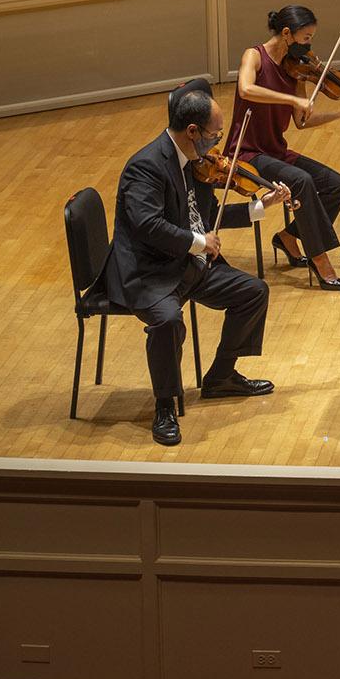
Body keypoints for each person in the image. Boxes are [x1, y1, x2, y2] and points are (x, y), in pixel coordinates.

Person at [104, 85, 290, 446]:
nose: (217, 142)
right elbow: (148, 226)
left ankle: (221, 377)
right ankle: (165, 405)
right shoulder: (145, 166)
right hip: (149, 271)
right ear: (192, 132)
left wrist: (259, 207)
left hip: (186, 264)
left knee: (253, 292)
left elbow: (206, 216)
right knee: (169, 321)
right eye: (214, 134)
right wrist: (200, 242)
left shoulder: (197, 164)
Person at [230, 5, 340, 292]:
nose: (309, 45)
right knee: (301, 180)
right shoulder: (254, 56)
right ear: (286, 33)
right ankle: (321, 260)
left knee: (337, 185)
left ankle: (289, 237)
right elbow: (245, 89)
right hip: (247, 153)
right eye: (306, 38)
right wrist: (291, 100)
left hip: (276, 151)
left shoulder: (295, 70)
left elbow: (302, 122)